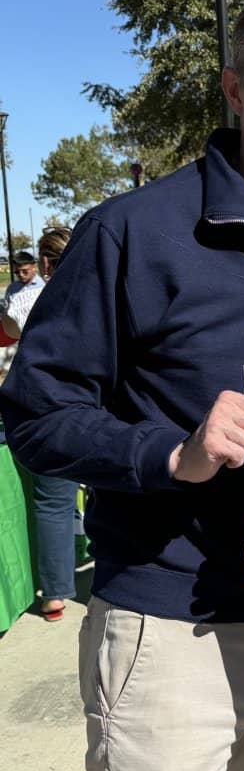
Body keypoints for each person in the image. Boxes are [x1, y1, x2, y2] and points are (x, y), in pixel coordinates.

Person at [0, 0, 244, 771]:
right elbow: (34, 410)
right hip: (170, 633)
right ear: (237, 90)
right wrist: (173, 453)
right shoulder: (130, 231)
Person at [2, 227, 79, 622]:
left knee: (52, 501)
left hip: (46, 406)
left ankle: (53, 595)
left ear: (45, 263)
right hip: (98, 403)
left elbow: (5, 334)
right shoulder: (102, 287)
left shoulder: (26, 300)